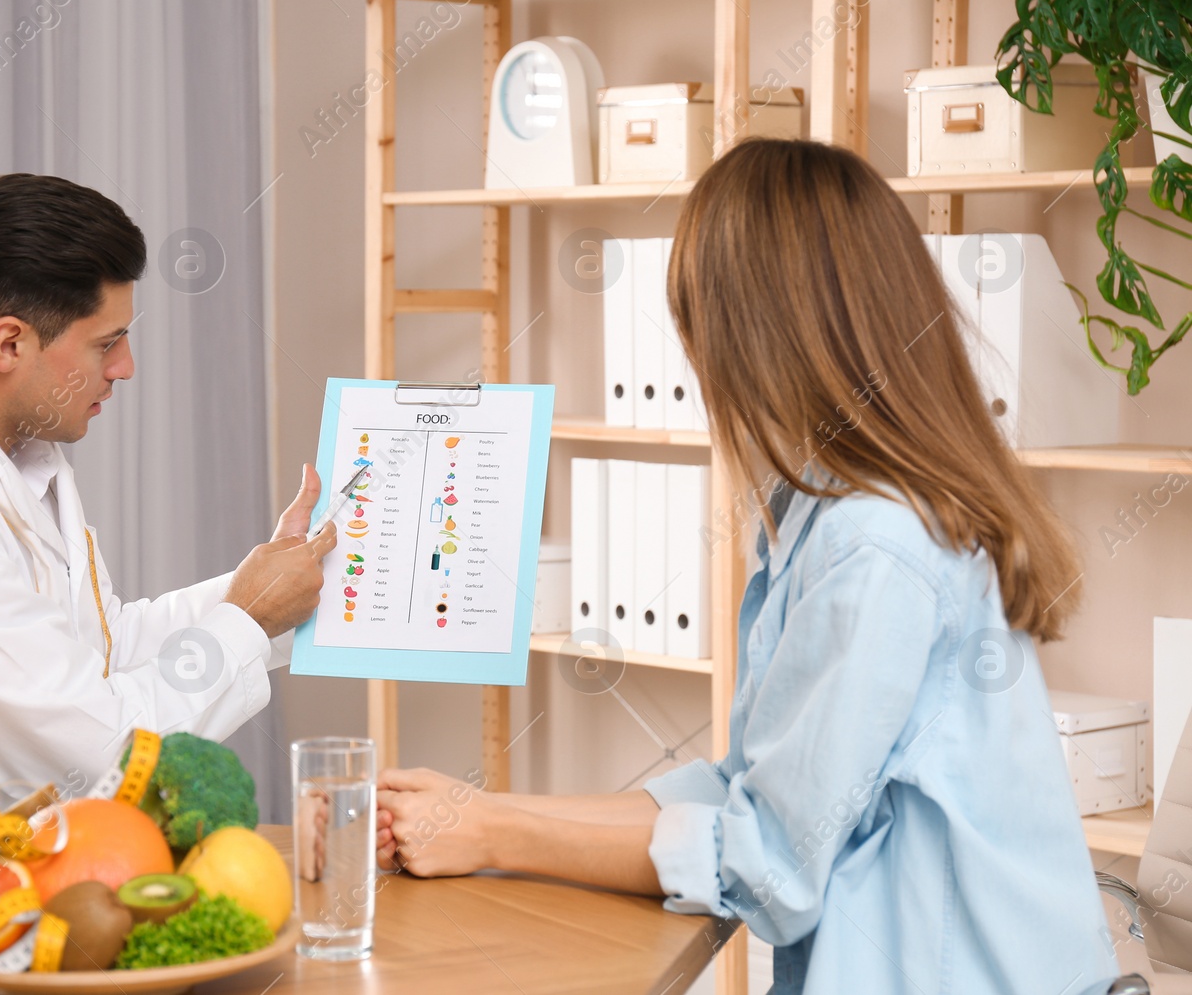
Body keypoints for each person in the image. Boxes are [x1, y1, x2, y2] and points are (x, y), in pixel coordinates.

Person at [376, 140, 1119, 992]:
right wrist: (481, 813)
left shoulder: (876, 545)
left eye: (698, 324)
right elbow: (742, 787)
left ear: (760, 336)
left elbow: (770, 862)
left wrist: (499, 837)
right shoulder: (830, 510)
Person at [0, 174, 333, 806]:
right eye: (107, 343)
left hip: (26, 846)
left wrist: (276, 586)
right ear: (10, 343)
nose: (125, 366)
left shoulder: (15, 457)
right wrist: (251, 615)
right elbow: (105, 757)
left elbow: (103, 650)